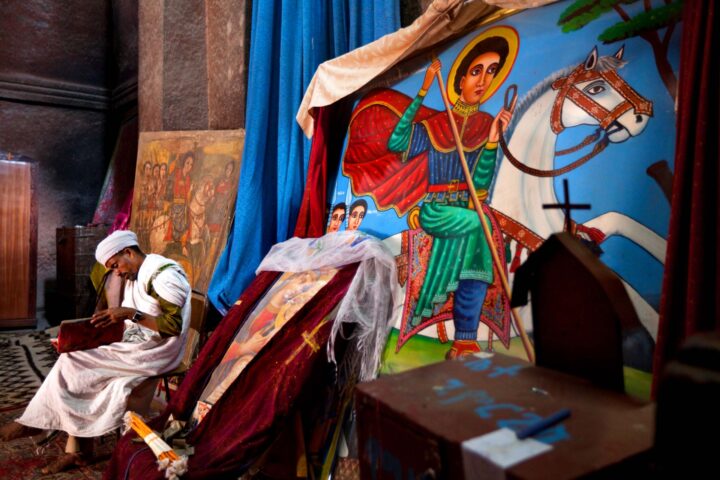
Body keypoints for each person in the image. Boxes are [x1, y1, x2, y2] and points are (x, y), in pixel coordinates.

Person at [343, 34, 515, 358]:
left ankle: (464, 336)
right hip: (435, 210)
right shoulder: (437, 124)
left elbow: (479, 187)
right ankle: (465, 334)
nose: (484, 79)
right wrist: (422, 90)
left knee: (483, 222)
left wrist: (492, 140)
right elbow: (397, 142)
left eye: (491, 71)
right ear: (461, 79)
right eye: (477, 71)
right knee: (480, 226)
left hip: (465, 208)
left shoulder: (485, 123)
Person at [0, 230, 191, 474]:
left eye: (115, 265)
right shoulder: (138, 272)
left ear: (128, 252)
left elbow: (172, 328)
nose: (117, 272)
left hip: (159, 350)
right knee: (74, 352)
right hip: (139, 339)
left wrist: (129, 314)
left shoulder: (164, 276)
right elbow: (138, 321)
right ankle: (73, 445)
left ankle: (40, 425)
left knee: (74, 362)